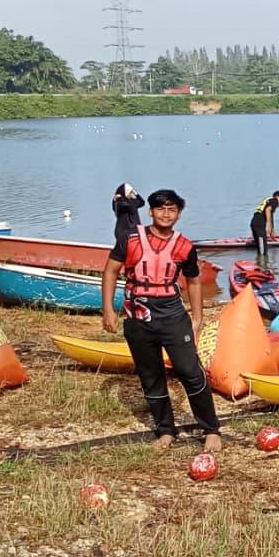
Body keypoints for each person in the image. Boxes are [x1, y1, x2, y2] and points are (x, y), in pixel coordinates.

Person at [101, 189, 220, 452]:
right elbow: (110, 270)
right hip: (137, 316)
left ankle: (210, 428)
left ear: (178, 214)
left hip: (172, 316)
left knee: (190, 372)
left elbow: (194, 280)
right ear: (150, 212)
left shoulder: (185, 246)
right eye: (161, 209)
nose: (166, 214)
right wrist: (108, 309)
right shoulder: (130, 239)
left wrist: (197, 317)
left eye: (172, 209)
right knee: (150, 375)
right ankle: (166, 430)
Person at [250, 190, 279, 259]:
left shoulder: (269, 201)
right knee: (263, 250)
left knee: (260, 248)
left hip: (254, 222)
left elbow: (271, 216)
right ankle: (263, 267)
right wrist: (268, 225)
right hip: (259, 225)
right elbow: (268, 210)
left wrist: (272, 229)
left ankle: (259, 265)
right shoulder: (275, 201)